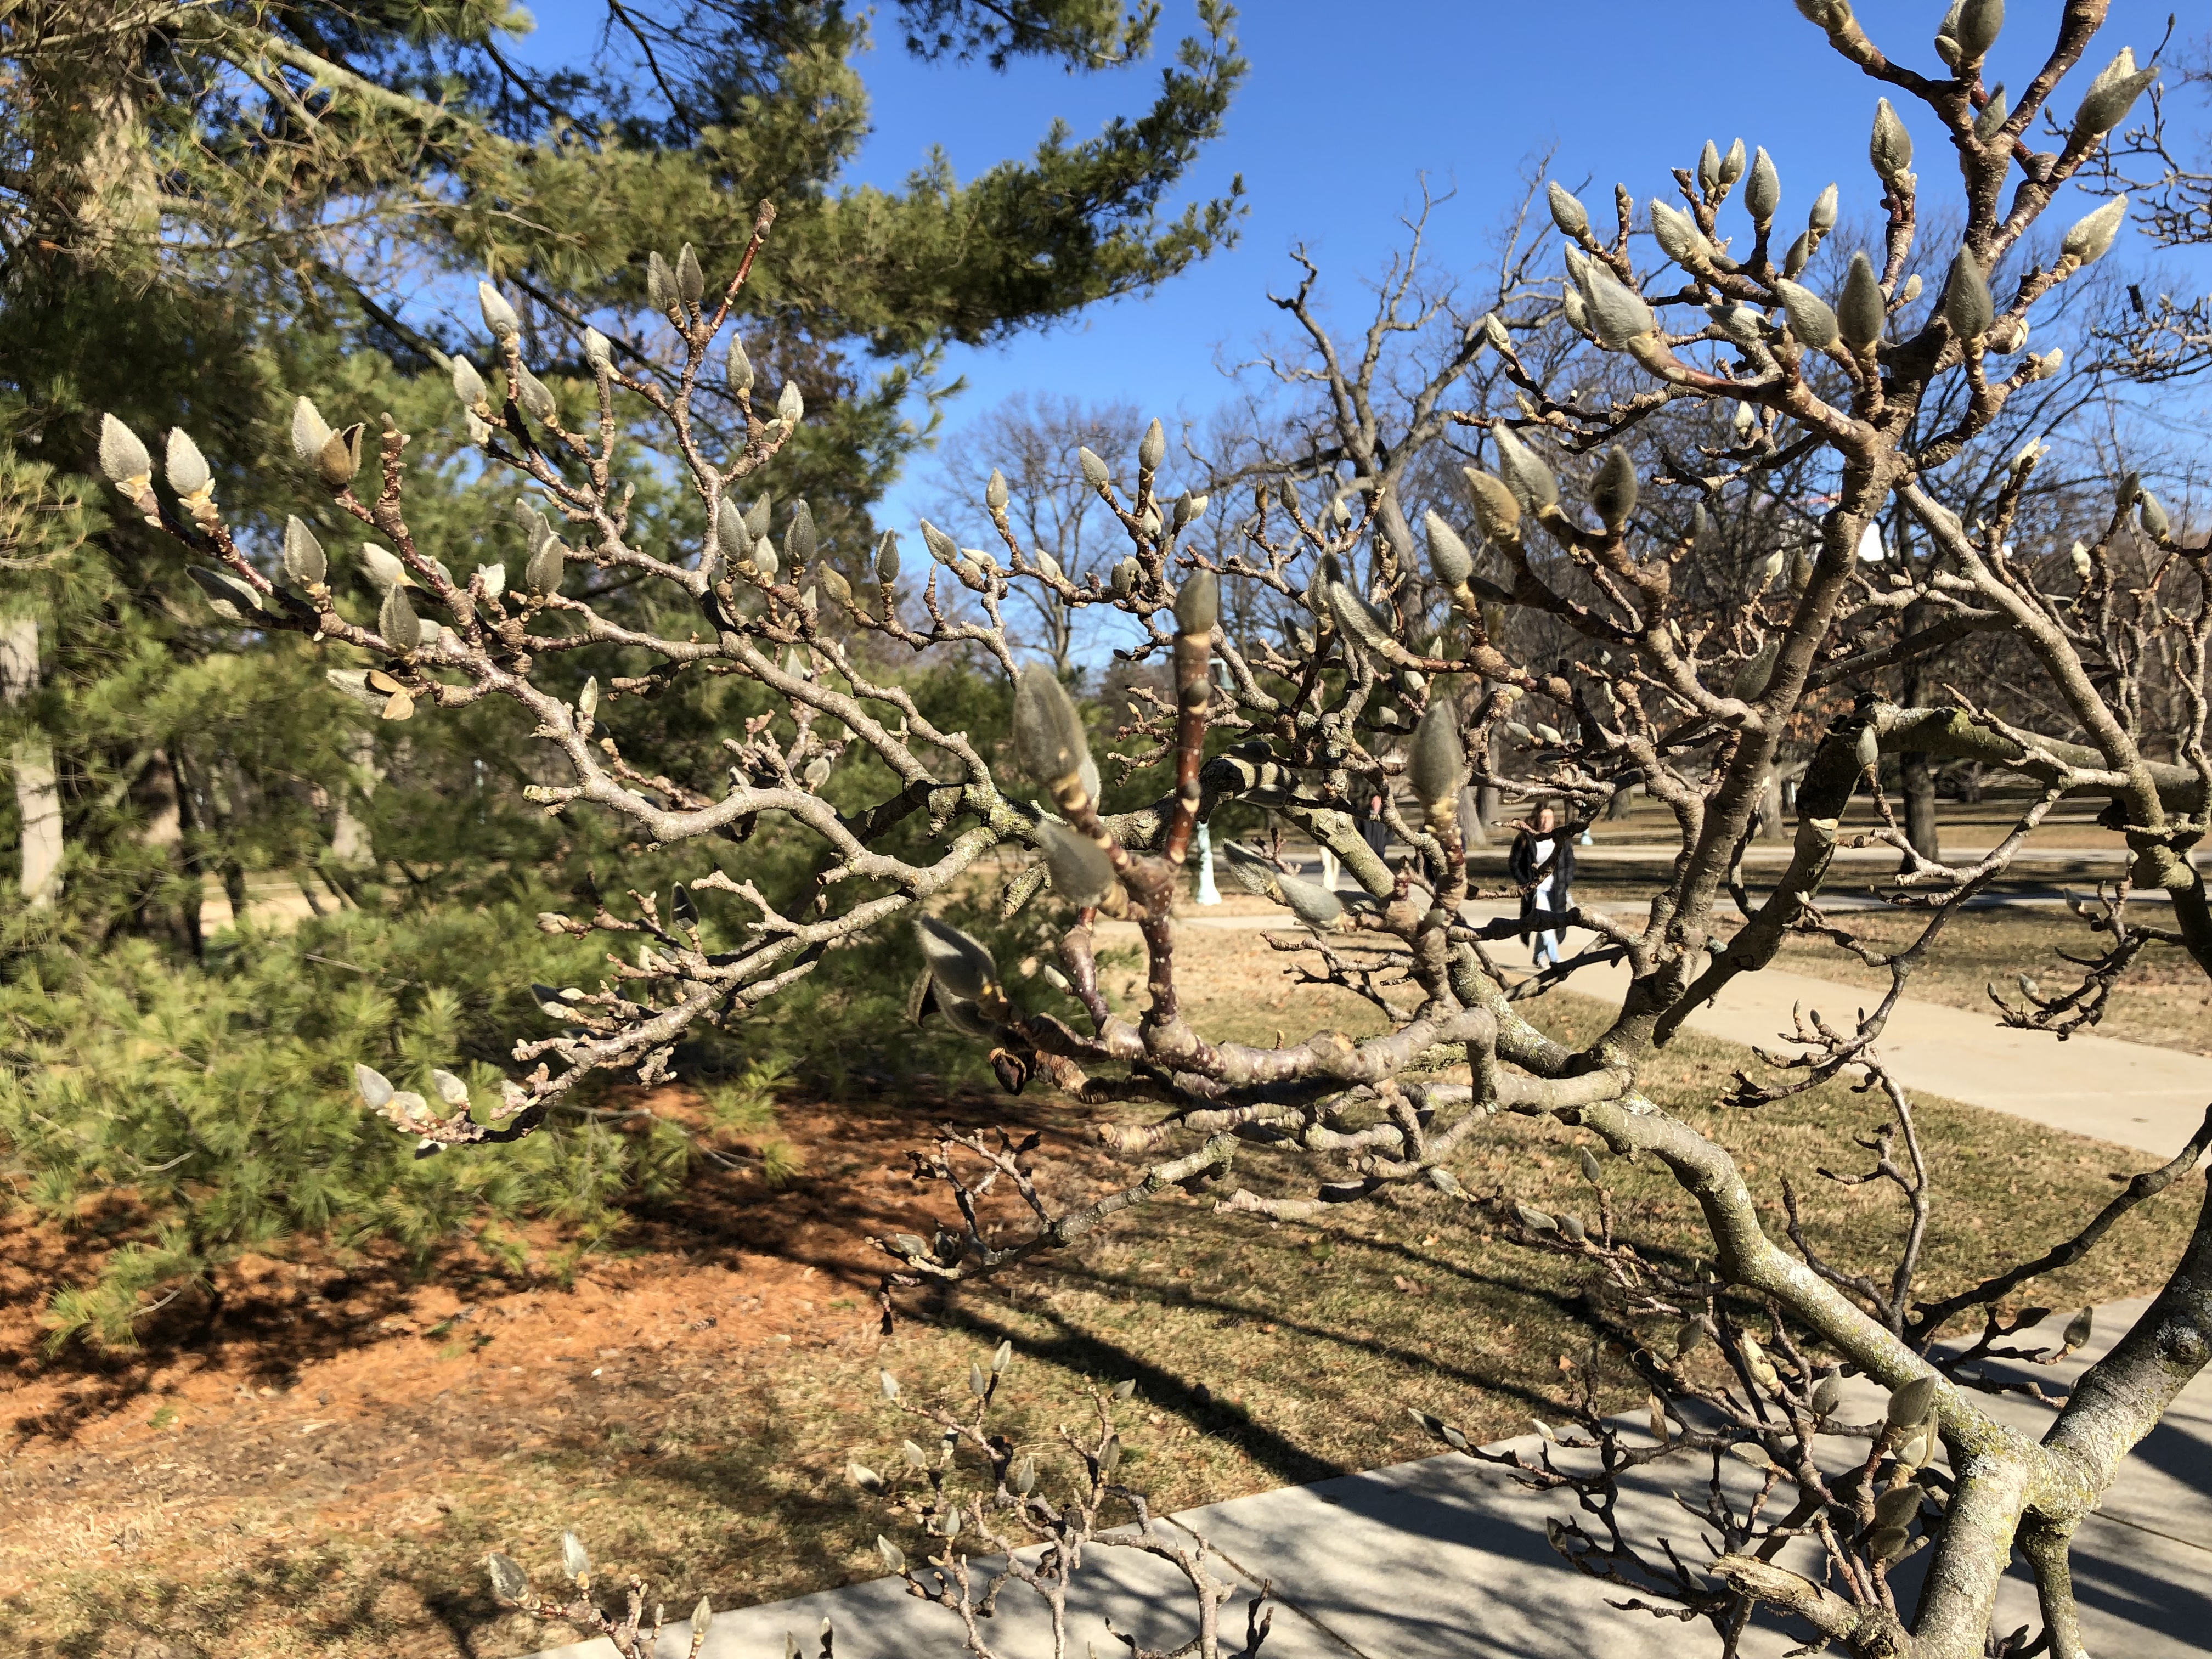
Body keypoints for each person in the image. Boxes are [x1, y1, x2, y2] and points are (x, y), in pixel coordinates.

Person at [1508, 802, 1576, 969]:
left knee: (1548, 922)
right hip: (1537, 890)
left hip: (1557, 889)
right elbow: (1514, 863)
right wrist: (1526, 882)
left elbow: (1570, 863)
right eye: (1543, 817)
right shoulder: (1526, 838)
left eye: (1550, 817)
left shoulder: (1560, 838)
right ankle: (1555, 959)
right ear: (1536, 819)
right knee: (1546, 922)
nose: (1547, 821)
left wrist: (1565, 882)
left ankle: (1539, 957)